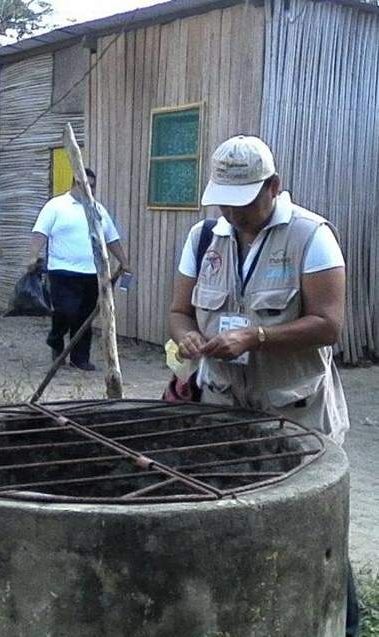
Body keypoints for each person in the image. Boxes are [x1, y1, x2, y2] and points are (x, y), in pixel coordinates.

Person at [169, 134, 358, 637]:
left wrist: (258, 336)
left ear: (274, 186)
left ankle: (343, 624)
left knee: (313, 530)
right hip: (223, 409)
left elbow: (329, 324)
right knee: (228, 521)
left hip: (295, 415)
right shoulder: (205, 237)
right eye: (224, 203)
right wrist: (188, 339)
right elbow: (179, 312)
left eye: (245, 202)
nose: (234, 214)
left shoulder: (312, 236)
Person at [28, 168, 130, 371]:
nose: (90, 189)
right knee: (66, 311)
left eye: (93, 186)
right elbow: (40, 233)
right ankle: (56, 342)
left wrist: (124, 261)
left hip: (92, 273)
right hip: (62, 271)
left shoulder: (97, 210)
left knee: (85, 317)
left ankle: (79, 358)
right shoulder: (56, 206)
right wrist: (32, 256)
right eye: (86, 185)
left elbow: (111, 238)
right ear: (75, 184)